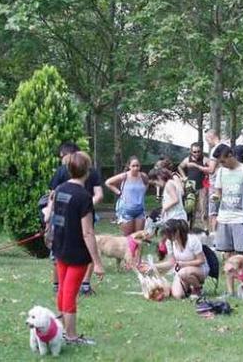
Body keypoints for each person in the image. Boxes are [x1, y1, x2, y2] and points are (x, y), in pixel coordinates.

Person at [44, 151, 104, 346]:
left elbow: (51, 215)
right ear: (87, 171)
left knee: (62, 289)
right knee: (69, 293)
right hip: (76, 253)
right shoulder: (84, 196)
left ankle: (59, 330)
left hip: (60, 248)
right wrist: (97, 262)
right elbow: (88, 233)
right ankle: (70, 336)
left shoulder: (60, 189)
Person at [48, 142, 103, 295]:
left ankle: (80, 284)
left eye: (62, 156)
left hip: (79, 215)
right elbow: (53, 196)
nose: (62, 160)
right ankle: (59, 285)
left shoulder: (87, 173)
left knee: (83, 245)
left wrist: (83, 207)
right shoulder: (63, 173)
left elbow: (98, 194)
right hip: (69, 218)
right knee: (71, 249)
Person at [210, 144, 243, 295]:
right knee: (227, 256)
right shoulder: (220, 172)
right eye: (219, 162)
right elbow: (218, 193)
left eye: (223, 161)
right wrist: (215, 198)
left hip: (241, 218)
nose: (221, 164)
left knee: (242, 257)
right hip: (224, 218)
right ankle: (230, 291)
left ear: (230, 155)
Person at [156, 219, 207, 299]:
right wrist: (153, 266)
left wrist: (184, 264)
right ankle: (188, 288)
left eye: (170, 234)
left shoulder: (192, 240)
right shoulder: (170, 242)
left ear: (177, 232)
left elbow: (201, 260)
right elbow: (171, 263)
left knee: (183, 273)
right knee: (177, 295)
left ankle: (198, 289)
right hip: (182, 271)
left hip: (199, 269)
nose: (168, 237)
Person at [105, 156, 148, 236]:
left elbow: (147, 183)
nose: (135, 168)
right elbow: (108, 183)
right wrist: (118, 192)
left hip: (140, 210)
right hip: (126, 211)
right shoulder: (124, 176)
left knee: (139, 238)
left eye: (137, 166)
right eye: (133, 166)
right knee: (128, 239)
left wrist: (142, 193)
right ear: (129, 166)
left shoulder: (143, 176)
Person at [201, 130, 228, 232]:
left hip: (215, 186)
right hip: (226, 184)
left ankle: (215, 237)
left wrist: (198, 167)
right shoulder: (226, 147)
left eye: (207, 140)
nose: (207, 143)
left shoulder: (215, 150)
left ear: (210, 137)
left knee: (213, 212)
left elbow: (211, 170)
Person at [179, 143, 207, 229]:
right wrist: (184, 177)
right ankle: (189, 229)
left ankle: (206, 229)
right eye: (194, 152)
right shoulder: (187, 159)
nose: (197, 153)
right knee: (190, 209)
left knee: (203, 209)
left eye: (198, 151)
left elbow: (212, 168)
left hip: (202, 187)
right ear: (191, 152)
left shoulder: (205, 159)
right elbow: (180, 167)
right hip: (191, 186)